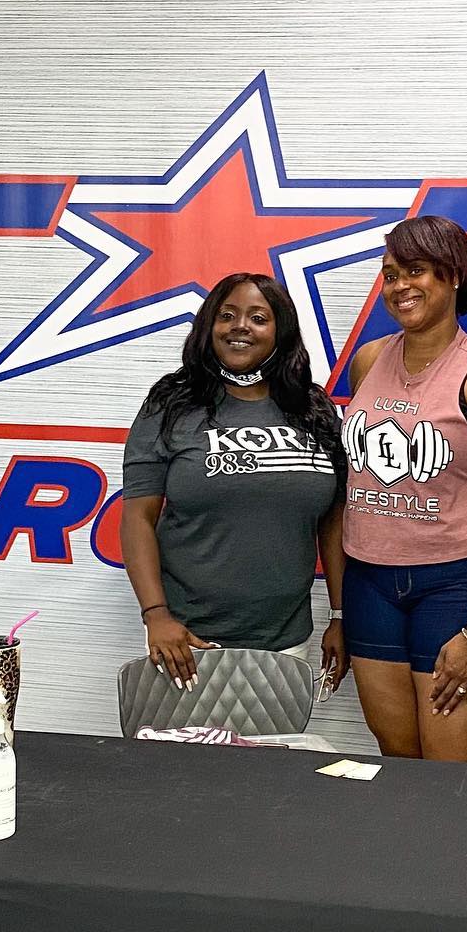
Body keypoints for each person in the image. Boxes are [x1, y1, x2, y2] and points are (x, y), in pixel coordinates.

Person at [341, 215, 467, 763]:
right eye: (389, 275)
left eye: (416, 271)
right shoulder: (367, 362)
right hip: (369, 583)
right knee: (398, 758)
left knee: (451, 774)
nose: (399, 285)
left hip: (457, 587)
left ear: (454, 276)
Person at [121, 273, 348, 694]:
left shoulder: (314, 409)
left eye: (258, 318)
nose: (240, 326)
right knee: (181, 760)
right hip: (187, 642)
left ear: (281, 332)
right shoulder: (170, 404)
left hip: (285, 643)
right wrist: (156, 615)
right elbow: (138, 516)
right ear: (209, 327)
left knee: (268, 760)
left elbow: (333, 522)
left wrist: (340, 615)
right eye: (227, 316)